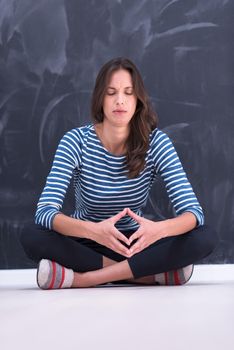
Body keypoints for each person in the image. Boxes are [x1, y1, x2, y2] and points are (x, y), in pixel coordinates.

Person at [20, 57, 217, 289]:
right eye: (111, 92)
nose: (120, 100)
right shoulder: (75, 141)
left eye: (128, 92)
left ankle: (84, 279)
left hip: (135, 244)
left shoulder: (157, 143)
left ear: (138, 100)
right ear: (100, 98)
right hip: (86, 241)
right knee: (31, 235)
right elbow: (45, 212)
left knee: (205, 236)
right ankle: (148, 275)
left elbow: (194, 213)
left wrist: (158, 230)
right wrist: (94, 231)